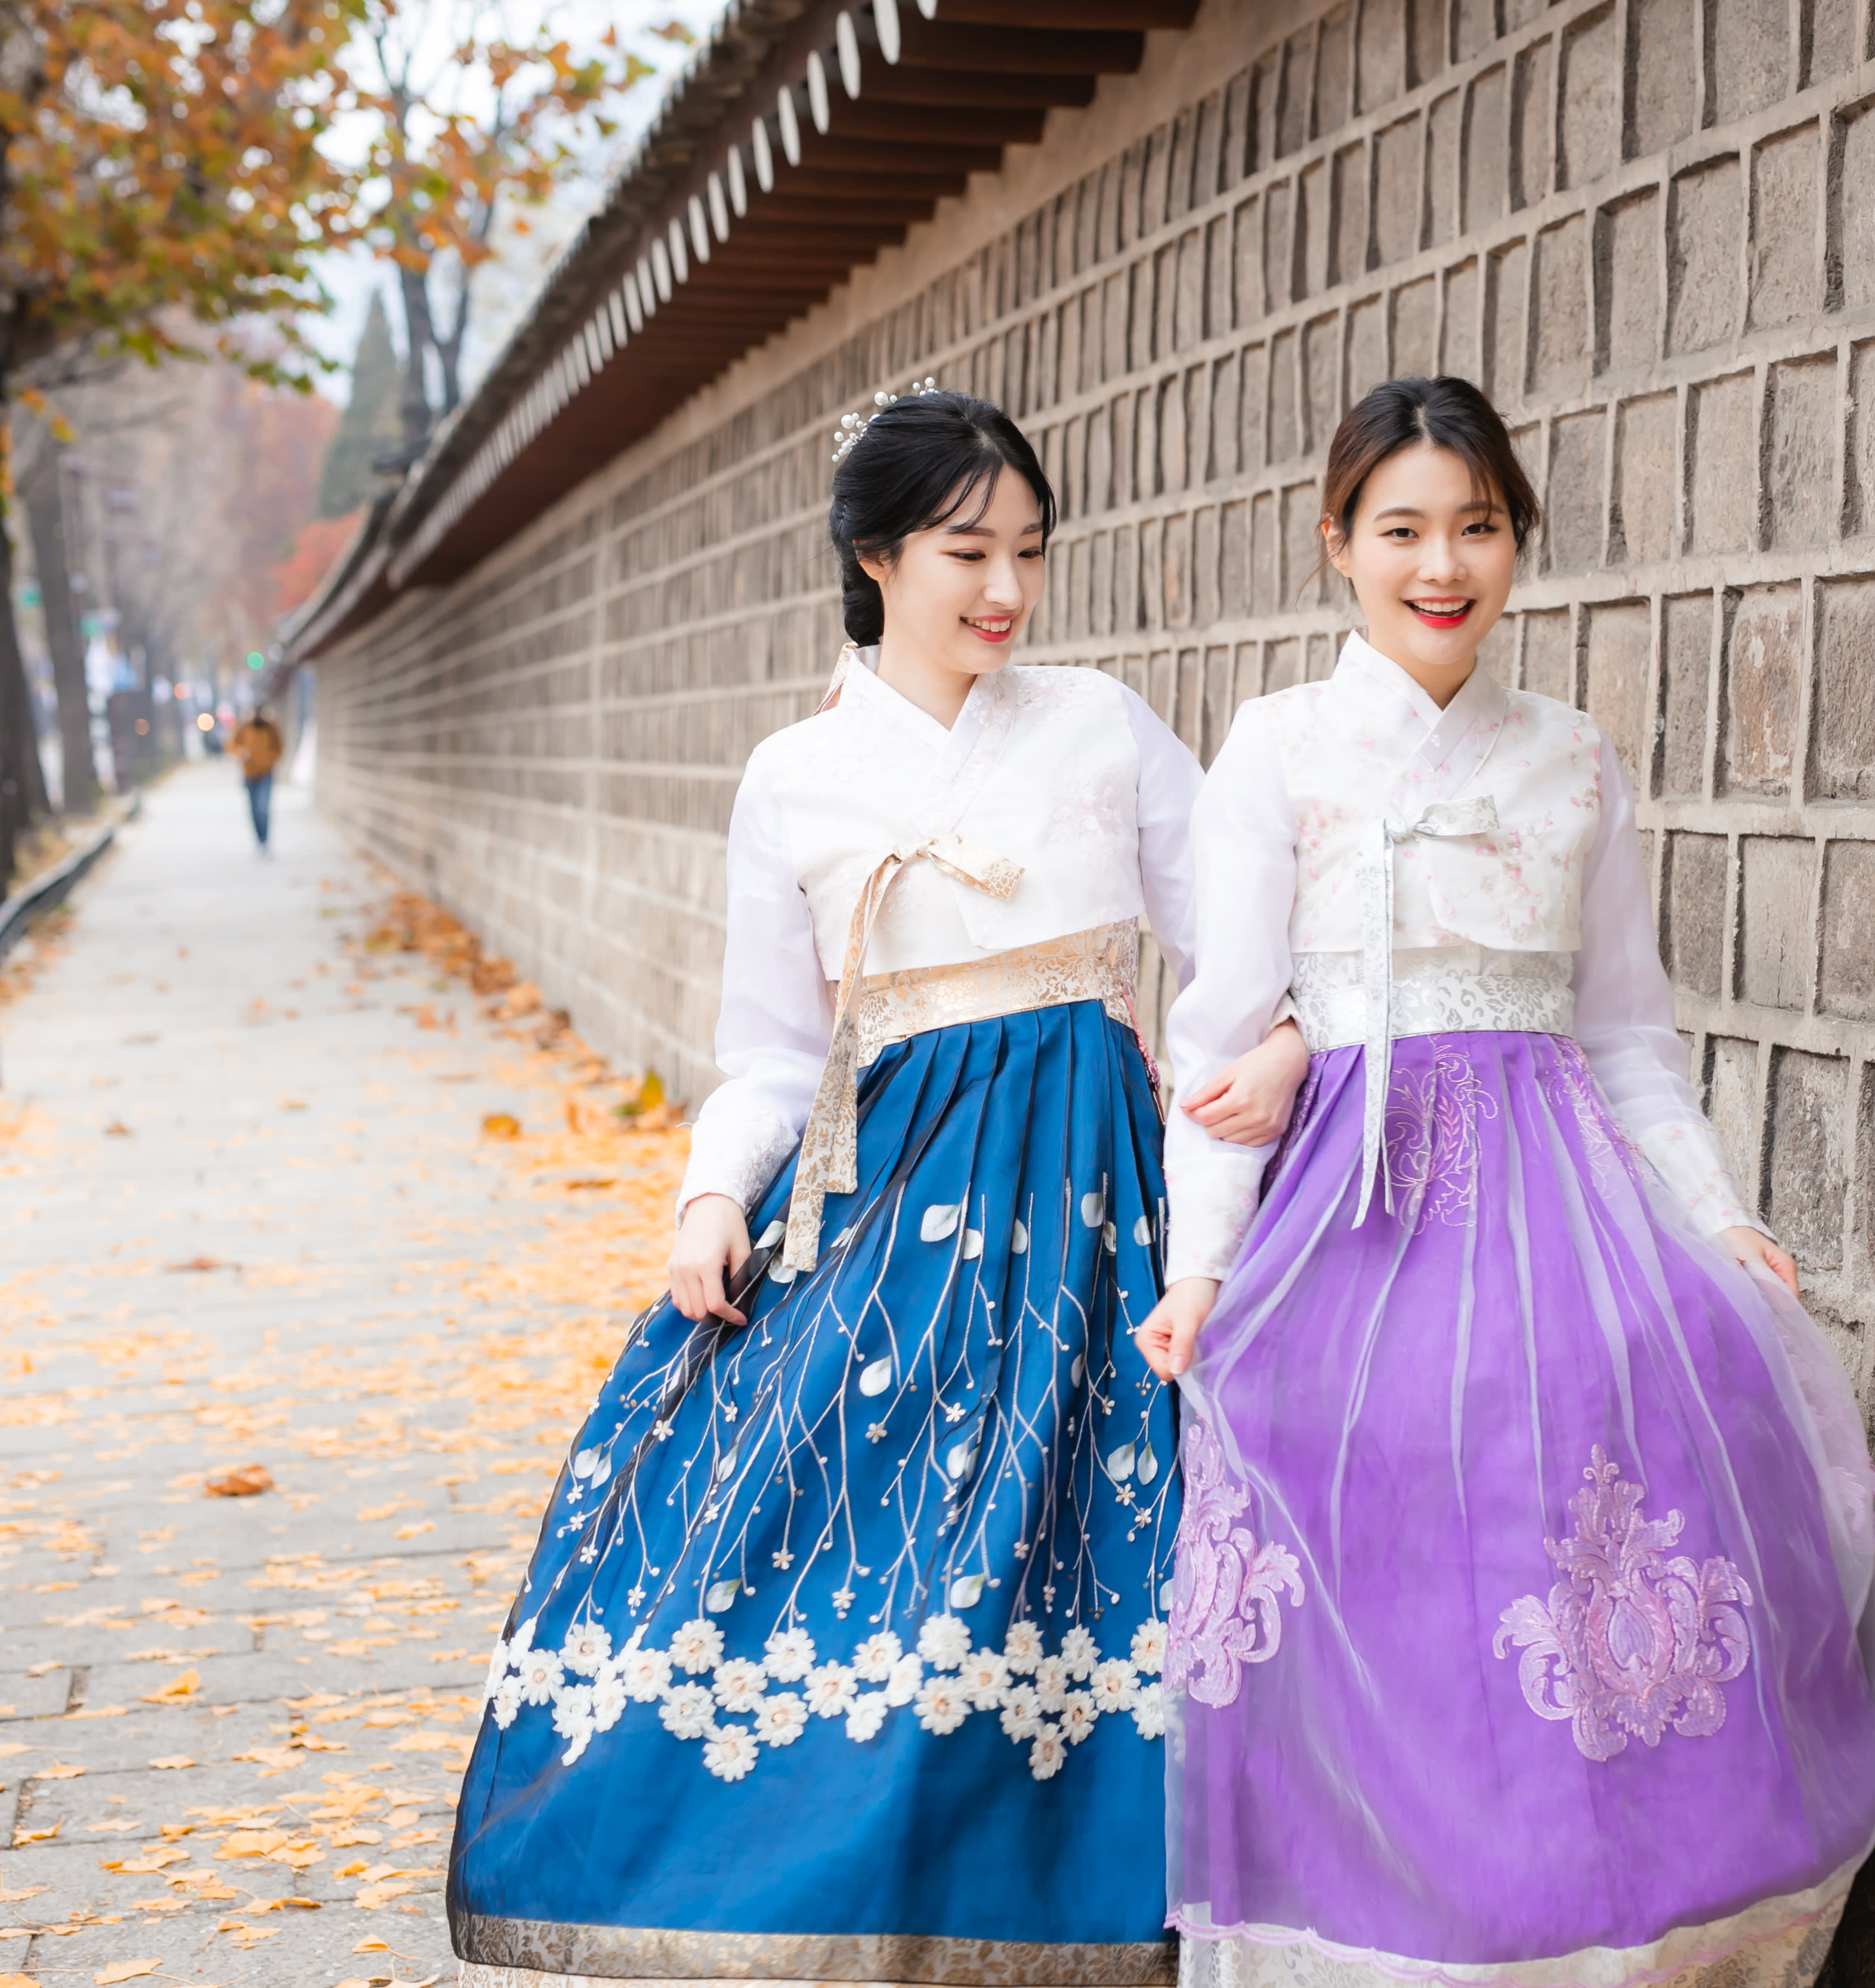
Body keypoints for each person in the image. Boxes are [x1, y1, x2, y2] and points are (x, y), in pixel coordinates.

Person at [446, 387, 1310, 1987]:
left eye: (1030, 551)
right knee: (857, 1544)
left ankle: (1103, 1908)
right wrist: (714, 1194)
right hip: (896, 1202)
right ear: (875, 555)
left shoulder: (1104, 726)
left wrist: (1291, 1036)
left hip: (1092, 1201)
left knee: (1080, 1544)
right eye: (968, 549)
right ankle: (862, 1900)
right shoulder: (795, 775)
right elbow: (775, 1049)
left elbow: (1241, 948)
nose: (1007, 588)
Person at [1142, 376, 1875, 1988]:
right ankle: (1407, 1930)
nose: (1445, 563)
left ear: (1517, 545)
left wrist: (1718, 1219)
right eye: (1404, 528)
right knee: (1397, 1551)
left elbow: (1629, 1035)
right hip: (1356, 1212)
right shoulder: (1280, 747)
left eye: (1478, 527)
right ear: (1338, 544)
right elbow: (1222, 1038)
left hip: (1566, 1201)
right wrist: (1200, 1273)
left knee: (1603, 1509)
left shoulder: (1572, 760)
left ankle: (1608, 1927)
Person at [228, 706, 283, 852]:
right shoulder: (244, 728)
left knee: (263, 808)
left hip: (266, 773)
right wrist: (241, 752)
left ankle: (265, 842)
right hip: (249, 774)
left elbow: (279, 748)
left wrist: (269, 761)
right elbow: (231, 746)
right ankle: (259, 841)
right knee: (253, 810)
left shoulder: (271, 729)